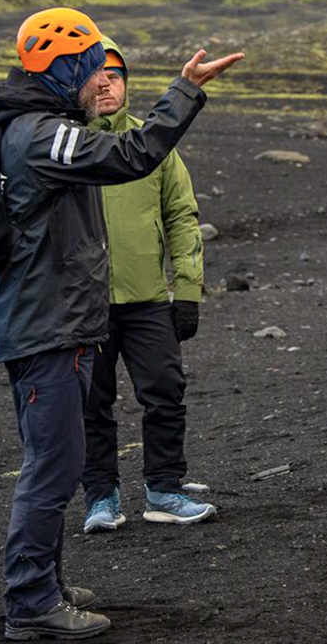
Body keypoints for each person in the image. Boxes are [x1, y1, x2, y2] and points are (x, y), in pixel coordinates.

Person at [0, 7, 239, 640]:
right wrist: (187, 90)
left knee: (55, 458)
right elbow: (134, 152)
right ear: (68, 70)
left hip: (44, 322)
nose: (101, 84)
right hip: (48, 328)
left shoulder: (29, 126)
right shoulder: (42, 135)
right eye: (92, 71)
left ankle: (48, 584)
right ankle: (31, 604)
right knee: (52, 468)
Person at [80, 36, 215, 533]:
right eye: (96, 76)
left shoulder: (154, 144)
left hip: (147, 301)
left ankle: (164, 490)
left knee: (164, 392)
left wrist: (188, 292)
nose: (106, 84)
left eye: (114, 76)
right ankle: (101, 498)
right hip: (84, 305)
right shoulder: (69, 146)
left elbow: (182, 217)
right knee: (91, 404)